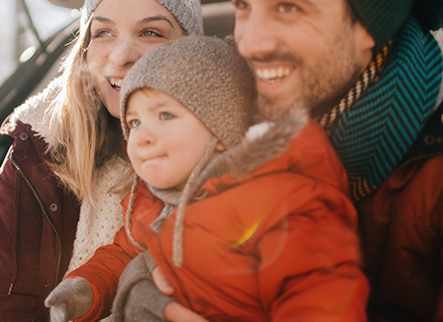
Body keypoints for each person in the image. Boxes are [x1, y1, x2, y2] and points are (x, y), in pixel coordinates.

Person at [148, 0, 443, 322]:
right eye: (243, 6)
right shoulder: (228, 119)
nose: (248, 42)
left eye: (287, 8)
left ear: (370, 24)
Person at [44, 35, 369, 322]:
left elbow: (318, 295)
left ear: (222, 129)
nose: (141, 137)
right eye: (135, 122)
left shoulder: (279, 198)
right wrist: (85, 288)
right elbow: (125, 252)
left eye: (165, 115)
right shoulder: (156, 200)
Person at [0, 0, 205, 322]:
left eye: (150, 32)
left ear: (191, 51)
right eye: (103, 32)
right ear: (85, 49)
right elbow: (3, 302)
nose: (121, 55)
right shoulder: (35, 154)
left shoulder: (228, 151)